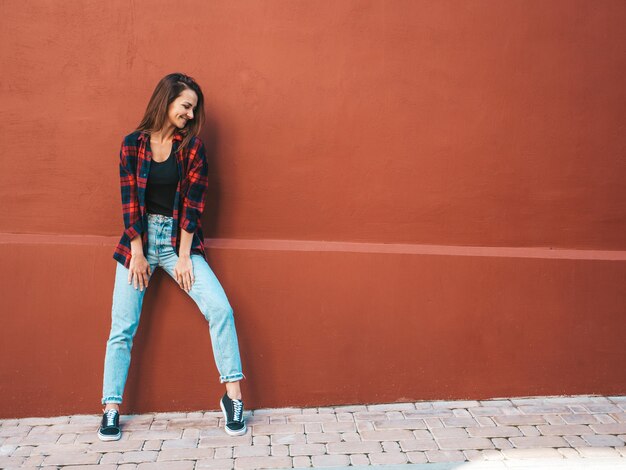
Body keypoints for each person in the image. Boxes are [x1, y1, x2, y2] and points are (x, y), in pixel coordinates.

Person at [98, 73, 246, 441]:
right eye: (185, 106)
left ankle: (233, 398)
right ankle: (111, 409)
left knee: (220, 309)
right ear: (166, 102)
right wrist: (137, 252)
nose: (190, 114)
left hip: (178, 243)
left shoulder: (193, 149)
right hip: (138, 242)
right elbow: (129, 201)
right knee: (122, 328)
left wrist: (183, 256)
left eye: (193, 109)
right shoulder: (131, 145)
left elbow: (194, 205)